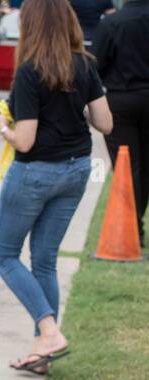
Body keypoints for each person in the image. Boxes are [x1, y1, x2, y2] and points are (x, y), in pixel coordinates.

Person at [0, 0, 112, 375]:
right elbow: (105, 123)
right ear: (68, 23)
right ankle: (42, 354)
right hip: (76, 169)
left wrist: (3, 130)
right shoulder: (85, 65)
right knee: (44, 260)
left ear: (31, 26)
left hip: (35, 172)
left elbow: (25, 141)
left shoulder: (29, 72)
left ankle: (48, 330)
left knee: (3, 253)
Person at [94, 0, 149, 248]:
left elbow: (96, 64)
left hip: (121, 100)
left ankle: (133, 228)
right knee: (145, 166)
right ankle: (136, 223)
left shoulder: (112, 22)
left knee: (126, 167)